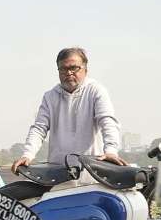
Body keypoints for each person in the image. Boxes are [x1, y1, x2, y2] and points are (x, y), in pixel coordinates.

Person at [11, 47, 124, 178]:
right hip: (58, 173)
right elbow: (39, 129)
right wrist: (27, 155)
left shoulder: (96, 91)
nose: (69, 73)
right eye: (63, 69)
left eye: (74, 68)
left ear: (85, 70)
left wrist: (111, 151)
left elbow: (107, 121)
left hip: (92, 173)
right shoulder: (50, 96)